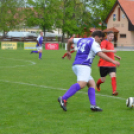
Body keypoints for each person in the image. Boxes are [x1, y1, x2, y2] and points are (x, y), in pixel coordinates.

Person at [58, 31, 120, 112]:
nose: (101, 42)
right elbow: (100, 54)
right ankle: (63, 98)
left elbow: (70, 41)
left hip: (76, 65)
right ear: (97, 37)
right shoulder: (94, 43)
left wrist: (68, 51)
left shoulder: (82, 39)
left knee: (91, 83)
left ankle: (93, 105)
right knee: (82, 84)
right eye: (101, 40)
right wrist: (113, 61)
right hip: (84, 66)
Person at [96, 31, 121, 96]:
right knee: (103, 80)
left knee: (113, 76)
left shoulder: (111, 44)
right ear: (107, 36)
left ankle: (114, 91)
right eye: (110, 36)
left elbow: (110, 53)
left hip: (112, 64)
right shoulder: (104, 42)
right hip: (103, 64)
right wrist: (112, 50)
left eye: (112, 36)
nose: (111, 37)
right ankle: (98, 84)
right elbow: (102, 50)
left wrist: (116, 56)